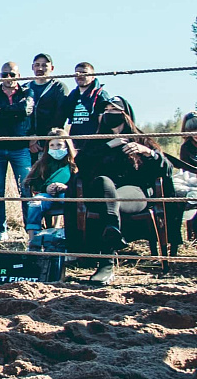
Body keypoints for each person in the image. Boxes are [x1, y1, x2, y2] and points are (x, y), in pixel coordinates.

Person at [67, 97, 173, 285]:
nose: (109, 113)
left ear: (125, 114)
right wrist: (107, 146)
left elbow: (167, 169)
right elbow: (80, 164)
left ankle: (106, 265)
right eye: (106, 110)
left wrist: (147, 152)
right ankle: (111, 242)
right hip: (103, 192)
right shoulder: (96, 141)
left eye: (114, 110)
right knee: (104, 182)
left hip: (133, 193)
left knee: (111, 204)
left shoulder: (142, 140)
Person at [0, 62, 35, 243]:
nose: (8, 79)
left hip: (20, 148)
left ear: (19, 75)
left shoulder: (27, 93)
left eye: (12, 75)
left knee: (26, 189)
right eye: (4, 75)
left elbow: (25, 111)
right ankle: (0, 229)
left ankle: (31, 231)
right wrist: (12, 112)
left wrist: (1, 112)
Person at [22, 128, 75, 242]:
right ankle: (33, 240)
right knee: (35, 203)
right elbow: (31, 182)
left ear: (66, 145)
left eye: (59, 145)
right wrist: (46, 188)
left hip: (67, 195)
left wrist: (66, 187)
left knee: (72, 205)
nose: (56, 148)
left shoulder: (73, 164)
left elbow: (79, 182)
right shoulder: (42, 163)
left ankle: (70, 238)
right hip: (47, 196)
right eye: (52, 145)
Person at [27, 54, 69, 163]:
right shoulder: (25, 88)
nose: (40, 68)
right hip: (27, 142)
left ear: (52, 68)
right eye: (37, 65)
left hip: (52, 142)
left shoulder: (59, 88)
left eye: (44, 65)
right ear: (32, 67)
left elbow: (60, 115)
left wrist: (46, 139)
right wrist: (31, 138)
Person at [62, 62, 112, 148]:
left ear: (93, 77)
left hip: (93, 141)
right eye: (77, 73)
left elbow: (104, 121)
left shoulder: (100, 95)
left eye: (84, 73)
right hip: (75, 140)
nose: (80, 75)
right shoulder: (73, 95)